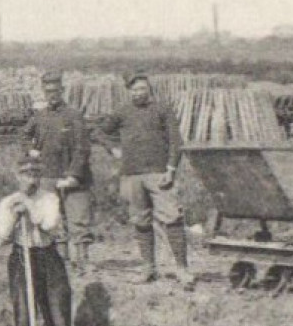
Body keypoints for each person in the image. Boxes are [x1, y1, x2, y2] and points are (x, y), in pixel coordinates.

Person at [0, 151, 78, 326]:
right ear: (17, 176)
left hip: (48, 258)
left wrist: (30, 208)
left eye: (36, 174)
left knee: (59, 318)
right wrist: (13, 217)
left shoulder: (50, 198)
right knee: (24, 317)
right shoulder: (7, 202)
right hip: (21, 258)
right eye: (26, 175)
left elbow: (50, 225)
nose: (32, 179)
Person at [106, 71, 194, 288]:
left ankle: (182, 269)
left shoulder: (162, 109)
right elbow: (99, 132)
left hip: (159, 173)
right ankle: (148, 268)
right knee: (140, 220)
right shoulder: (122, 112)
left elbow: (176, 141)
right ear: (129, 91)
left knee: (172, 217)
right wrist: (113, 148)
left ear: (149, 89)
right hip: (132, 174)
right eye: (135, 90)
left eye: (143, 89)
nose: (139, 93)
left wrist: (171, 169)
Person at [24, 69, 95, 274]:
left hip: (74, 177)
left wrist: (73, 175)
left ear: (62, 90)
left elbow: (83, 148)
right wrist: (31, 150)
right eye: (47, 91)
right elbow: (24, 135)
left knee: (78, 219)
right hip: (48, 175)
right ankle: (61, 261)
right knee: (53, 219)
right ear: (43, 93)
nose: (51, 95)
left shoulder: (74, 115)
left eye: (55, 91)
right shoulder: (39, 117)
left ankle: (83, 261)